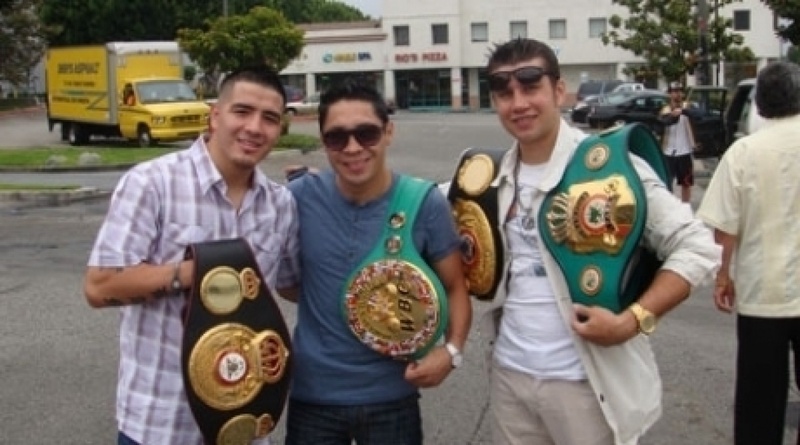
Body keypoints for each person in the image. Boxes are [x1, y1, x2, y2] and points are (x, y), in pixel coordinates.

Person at [475, 38, 719, 445]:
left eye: (530, 87)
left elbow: (698, 247)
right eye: (504, 92)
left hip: (584, 386)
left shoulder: (609, 166)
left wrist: (632, 321)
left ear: (558, 91)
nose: (518, 103)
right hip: (510, 379)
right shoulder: (490, 177)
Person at [83, 65, 300, 445]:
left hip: (245, 422)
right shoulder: (152, 183)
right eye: (242, 111)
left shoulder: (280, 204)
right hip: (161, 425)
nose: (254, 127)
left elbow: (292, 287)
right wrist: (196, 272)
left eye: (269, 118)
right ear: (215, 115)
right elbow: (100, 287)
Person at [282, 80, 471, 445]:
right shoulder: (297, 199)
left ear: (388, 132)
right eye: (337, 137)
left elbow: (455, 286)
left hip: (392, 396)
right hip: (313, 397)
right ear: (323, 142)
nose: (353, 148)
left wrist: (451, 352)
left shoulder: (424, 203)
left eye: (366, 133)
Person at [697, 61, 800, 445]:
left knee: (760, 400)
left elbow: (724, 228)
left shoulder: (743, 152)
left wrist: (723, 277)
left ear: (759, 104)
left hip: (762, 296)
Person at [659, 81, 697, 203]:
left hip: (685, 151)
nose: (677, 94)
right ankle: (669, 206)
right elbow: (664, 122)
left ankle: (685, 207)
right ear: (670, 94)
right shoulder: (665, 110)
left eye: (680, 91)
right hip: (668, 151)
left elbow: (699, 116)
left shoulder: (688, 107)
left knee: (686, 183)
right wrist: (674, 115)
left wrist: (683, 111)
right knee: (667, 182)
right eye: (674, 92)